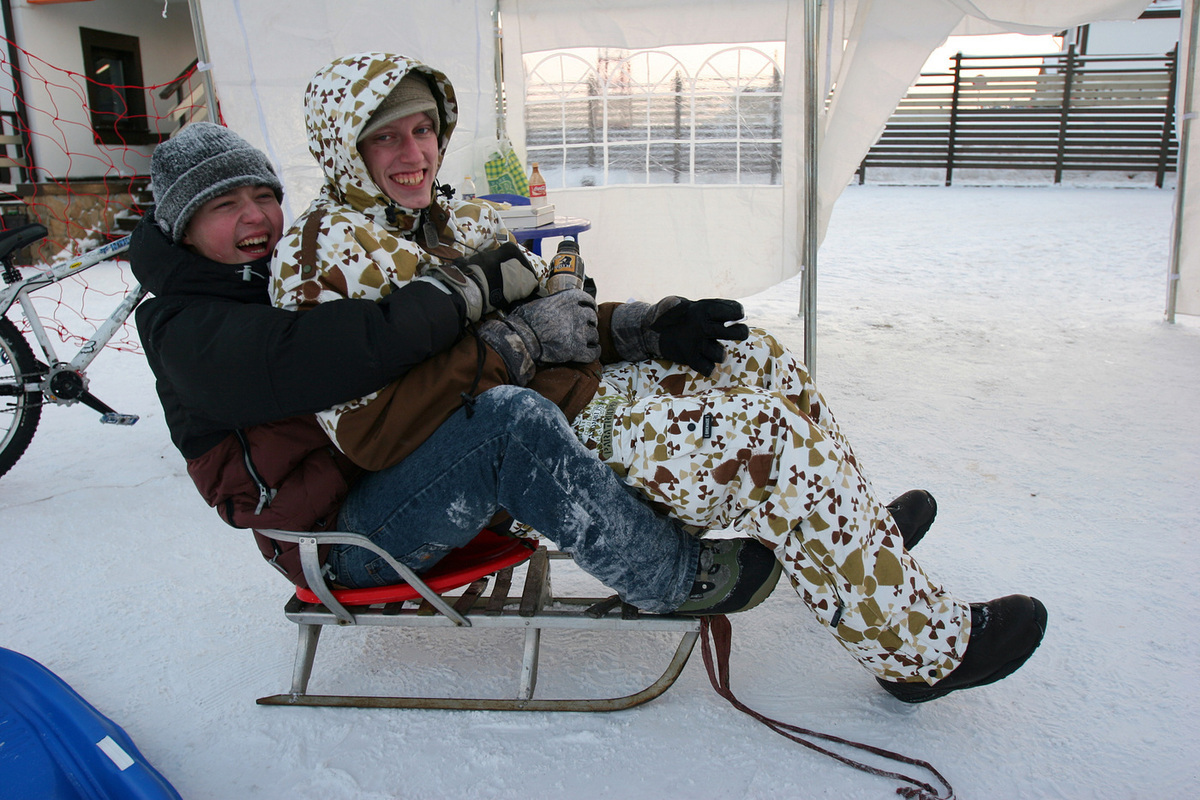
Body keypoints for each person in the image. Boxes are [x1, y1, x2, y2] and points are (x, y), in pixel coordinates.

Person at [269, 52, 1047, 703]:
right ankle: (921, 654)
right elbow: (369, 432)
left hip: (578, 395)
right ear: (346, 149)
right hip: (523, 447)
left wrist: (642, 325)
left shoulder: (460, 218)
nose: (415, 155)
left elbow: (557, 316)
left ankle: (850, 539)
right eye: (387, 140)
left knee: (756, 357)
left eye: (425, 129)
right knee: (766, 444)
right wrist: (515, 341)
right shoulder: (322, 255)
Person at [132, 121, 784, 617]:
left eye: (262, 195)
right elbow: (351, 347)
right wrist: (469, 292)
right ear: (181, 224)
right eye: (224, 206)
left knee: (559, 394)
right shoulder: (185, 329)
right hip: (340, 543)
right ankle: (668, 575)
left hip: (395, 478)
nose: (255, 217)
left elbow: (454, 339)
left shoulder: (287, 273)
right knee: (505, 424)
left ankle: (767, 511)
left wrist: (630, 326)